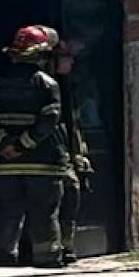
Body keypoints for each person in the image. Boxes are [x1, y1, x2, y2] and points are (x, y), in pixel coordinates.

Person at [0, 25, 69, 267]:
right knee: (44, 216)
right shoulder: (48, 85)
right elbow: (49, 120)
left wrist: (4, 145)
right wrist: (23, 145)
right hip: (44, 165)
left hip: (6, 166)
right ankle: (46, 259)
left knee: (6, 214)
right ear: (40, 55)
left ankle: (3, 257)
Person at [53, 42, 95, 265]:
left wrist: (80, 155)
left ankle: (67, 245)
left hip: (67, 154)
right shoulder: (45, 87)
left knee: (72, 194)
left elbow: (74, 126)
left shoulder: (69, 88)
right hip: (49, 156)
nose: (71, 61)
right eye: (65, 57)